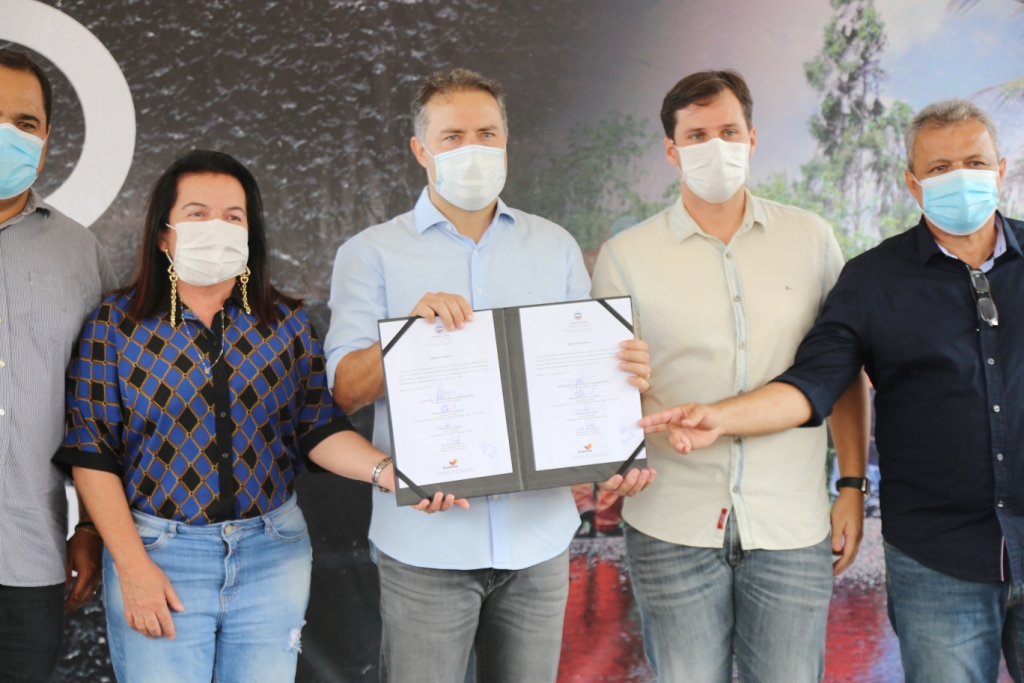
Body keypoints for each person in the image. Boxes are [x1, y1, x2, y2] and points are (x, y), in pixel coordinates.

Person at [641, 99, 1024, 683]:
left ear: (1000, 170)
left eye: (974, 163)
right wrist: (721, 417)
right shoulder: (872, 279)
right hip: (938, 559)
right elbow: (815, 382)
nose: (960, 178)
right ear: (913, 184)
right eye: (940, 168)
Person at [324, 68, 655, 683]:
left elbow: (582, 375)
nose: (472, 148)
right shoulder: (369, 254)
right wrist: (408, 335)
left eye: (487, 133)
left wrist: (622, 374)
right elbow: (344, 390)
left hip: (539, 539)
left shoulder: (554, 245)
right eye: (452, 137)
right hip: (426, 542)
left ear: (506, 141)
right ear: (420, 149)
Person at [54, 150, 401, 683]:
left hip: (273, 553)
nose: (216, 227)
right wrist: (132, 565)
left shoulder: (284, 322)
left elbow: (318, 427)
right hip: (158, 553)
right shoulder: (114, 327)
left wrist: (387, 472)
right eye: (197, 213)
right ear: (164, 235)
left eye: (233, 217)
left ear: (250, 234)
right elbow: (93, 454)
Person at [590, 69, 870, 683]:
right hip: (671, 522)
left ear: (752, 138)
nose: (715, 146)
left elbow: (842, 372)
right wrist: (609, 460)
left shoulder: (812, 239)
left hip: (791, 521)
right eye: (696, 135)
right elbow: (601, 387)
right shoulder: (626, 256)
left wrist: (851, 484)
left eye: (728, 131)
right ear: (671, 150)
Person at [0, 47, 115, 683]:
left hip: (28, 559)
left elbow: (99, 406)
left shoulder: (80, 253)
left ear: (46, 139)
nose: (8, 135)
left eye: (25, 123)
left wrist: (91, 527)